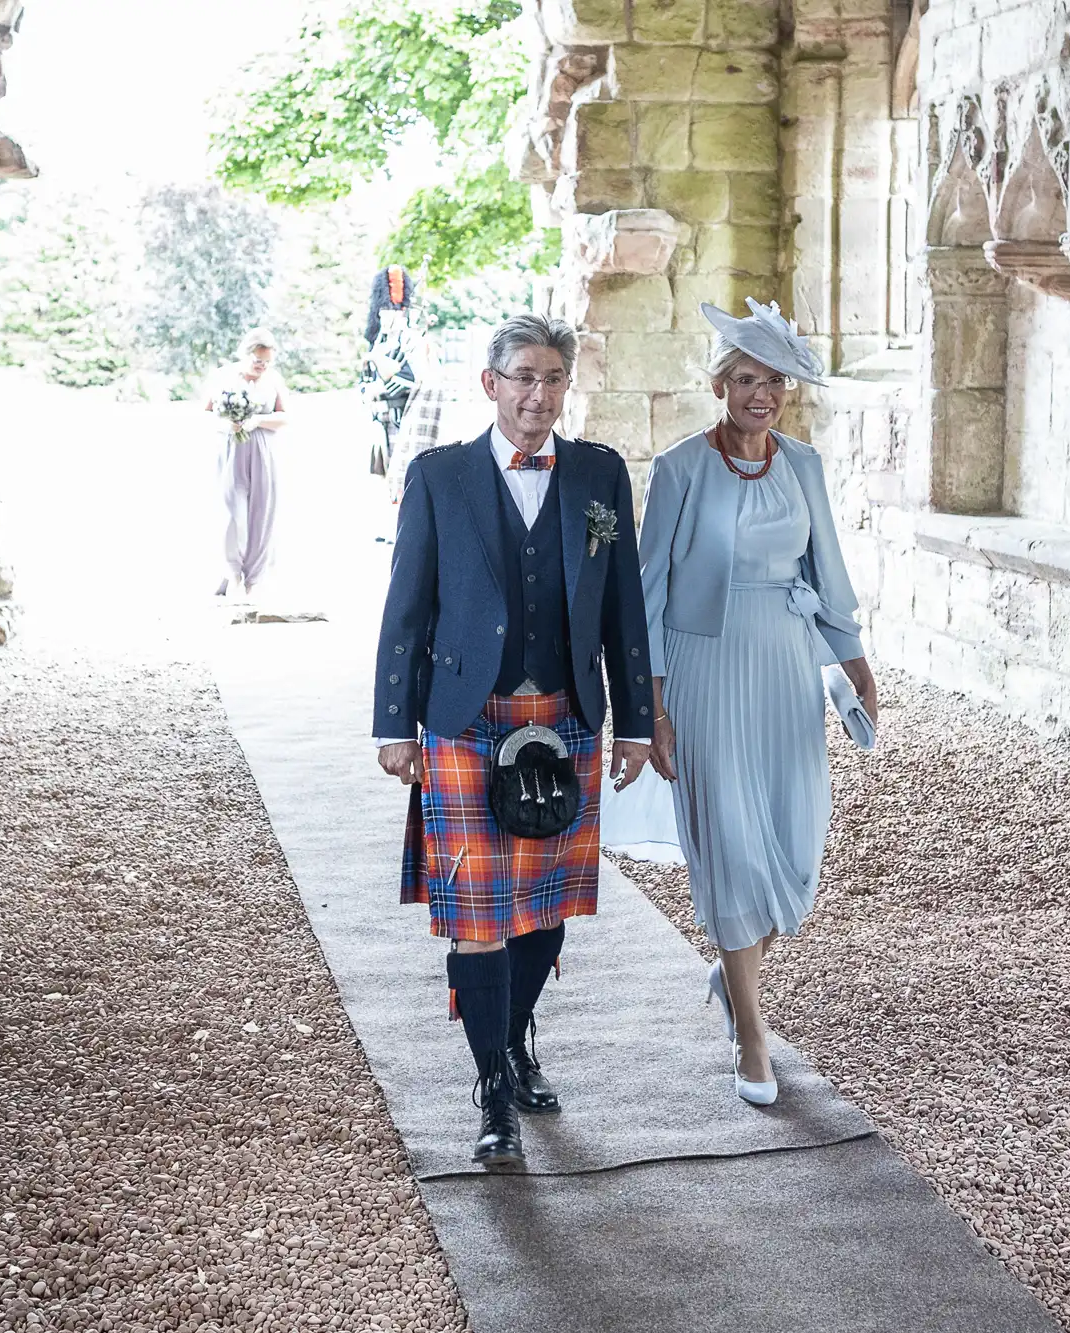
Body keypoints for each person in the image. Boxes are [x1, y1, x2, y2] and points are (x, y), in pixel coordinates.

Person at [372, 312, 656, 1168]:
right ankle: (492, 1085)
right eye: (523, 377)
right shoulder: (438, 476)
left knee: (543, 909)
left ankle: (515, 1033)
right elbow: (406, 604)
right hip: (464, 715)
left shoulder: (601, 475)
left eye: (554, 379)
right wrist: (394, 720)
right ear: (491, 384)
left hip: (567, 713)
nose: (539, 395)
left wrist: (637, 718)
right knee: (477, 914)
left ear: (568, 387)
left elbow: (624, 607)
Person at [637, 299, 879, 1107]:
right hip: (704, 666)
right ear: (719, 384)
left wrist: (855, 661)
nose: (760, 393)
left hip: (784, 664)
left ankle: (733, 970)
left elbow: (831, 570)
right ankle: (752, 1033)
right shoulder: (678, 470)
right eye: (746, 378)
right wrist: (653, 708)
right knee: (734, 845)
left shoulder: (803, 464)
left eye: (773, 380)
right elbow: (648, 593)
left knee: (797, 842)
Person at [202, 329, 290, 599]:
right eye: (257, 360)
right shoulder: (224, 377)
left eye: (266, 361)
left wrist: (257, 421)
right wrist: (227, 424)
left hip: (262, 449)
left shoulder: (273, 380)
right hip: (231, 449)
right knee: (231, 512)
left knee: (261, 512)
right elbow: (206, 412)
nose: (262, 366)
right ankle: (231, 572)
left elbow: (284, 416)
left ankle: (254, 576)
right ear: (246, 354)